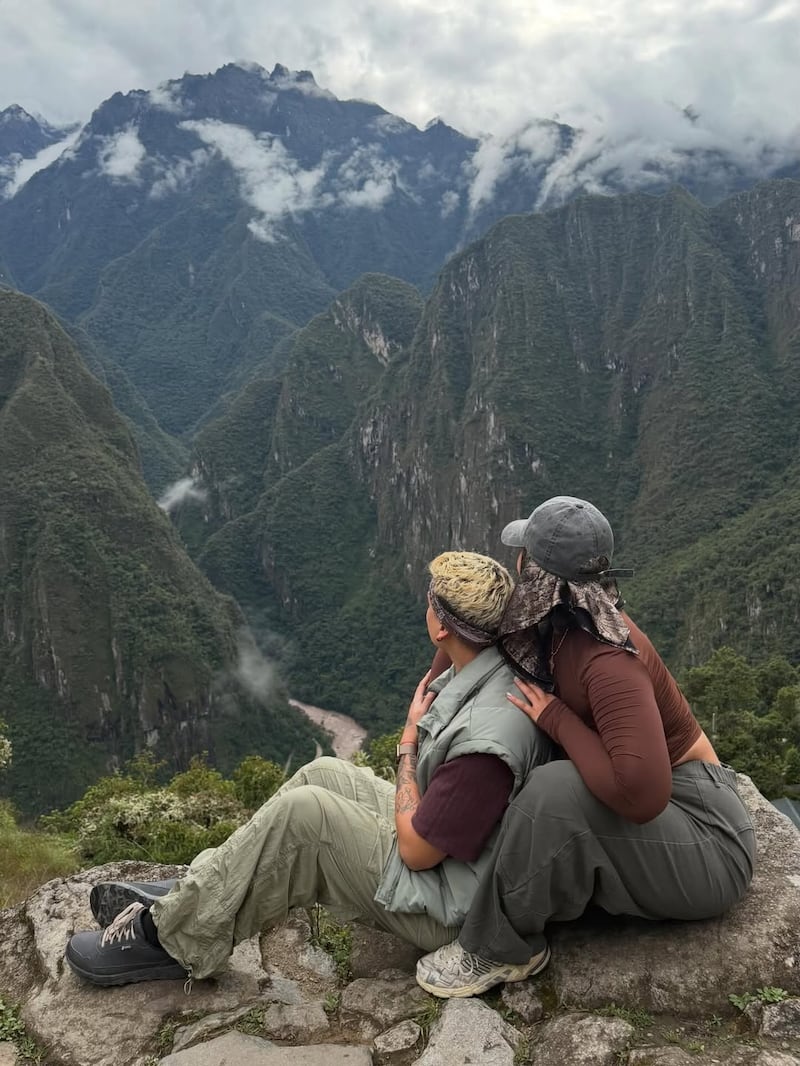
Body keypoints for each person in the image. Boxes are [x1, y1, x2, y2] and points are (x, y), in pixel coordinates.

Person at [65, 551, 555, 987]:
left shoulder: (485, 745)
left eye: (432, 603)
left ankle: (169, 941)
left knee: (307, 815)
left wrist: (407, 745)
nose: (424, 607)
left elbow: (416, 852)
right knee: (324, 772)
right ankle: (202, 890)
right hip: (463, 864)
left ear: (444, 626)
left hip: (456, 908)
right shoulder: (491, 664)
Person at [416, 496, 757, 998]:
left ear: (538, 574)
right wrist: (432, 687)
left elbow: (643, 795)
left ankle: (497, 949)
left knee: (554, 789)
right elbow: (469, 631)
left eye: (523, 556)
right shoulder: (559, 618)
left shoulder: (608, 659)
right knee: (548, 783)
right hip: (671, 817)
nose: (516, 563)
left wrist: (556, 720)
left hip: (707, 838)